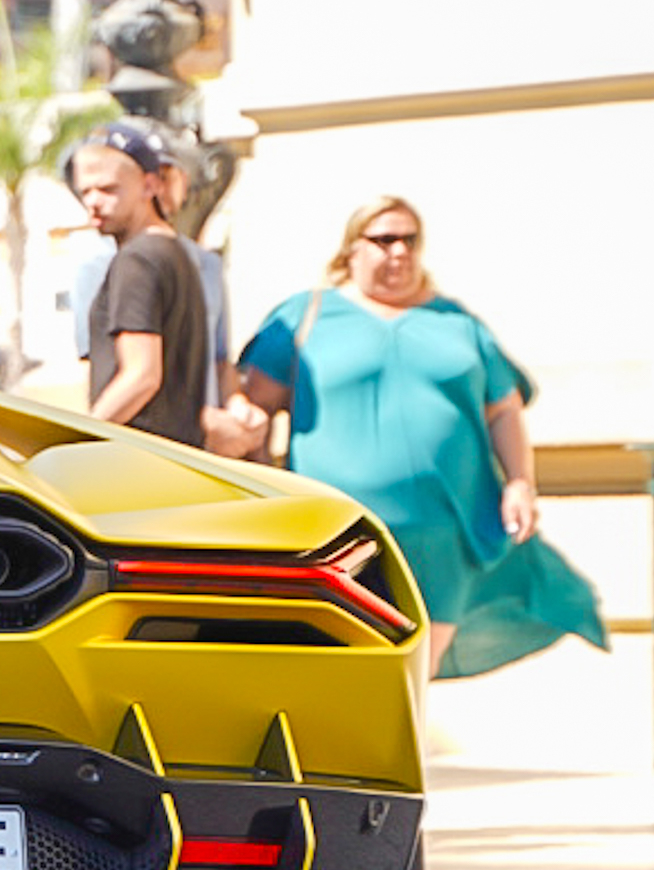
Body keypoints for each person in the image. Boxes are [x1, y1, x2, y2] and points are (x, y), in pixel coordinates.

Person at [237, 195, 605, 679]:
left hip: (441, 532)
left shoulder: (455, 322)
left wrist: (520, 482)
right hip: (340, 532)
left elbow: (504, 409)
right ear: (352, 249)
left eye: (409, 240)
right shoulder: (306, 315)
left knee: (413, 675)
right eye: (384, 239)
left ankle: (394, 753)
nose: (399, 252)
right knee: (342, 663)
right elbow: (251, 405)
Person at [64, 121, 217, 448]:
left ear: (150, 185)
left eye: (108, 189)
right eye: (85, 191)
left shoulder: (137, 261)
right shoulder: (176, 252)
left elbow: (142, 376)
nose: (93, 202)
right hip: (178, 460)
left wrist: (79, 441)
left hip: (138, 464)